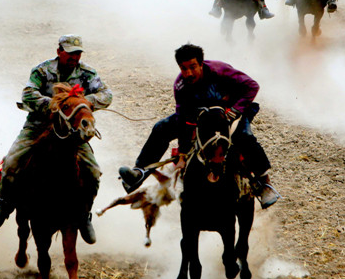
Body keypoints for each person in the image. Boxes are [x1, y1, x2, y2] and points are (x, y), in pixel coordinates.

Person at [118, 44, 281, 209]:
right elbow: (182, 118)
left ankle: (264, 183)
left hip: (230, 113)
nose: (188, 73)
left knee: (243, 137)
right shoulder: (180, 85)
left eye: (192, 67)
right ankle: (140, 172)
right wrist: (182, 151)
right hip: (200, 115)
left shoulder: (220, 70)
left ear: (201, 64)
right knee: (161, 128)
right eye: (183, 68)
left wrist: (235, 109)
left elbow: (252, 86)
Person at [0, 35, 113, 244]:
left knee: (92, 171)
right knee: (12, 161)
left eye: (78, 53)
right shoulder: (42, 71)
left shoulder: (87, 73)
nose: (75, 57)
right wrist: (54, 104)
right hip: (38, 125)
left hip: (71, 131)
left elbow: (106, 94)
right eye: (70, 52)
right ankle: (4, 203)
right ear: (59, 51)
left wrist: (82, 102)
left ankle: (84, 215)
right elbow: (28, 94)